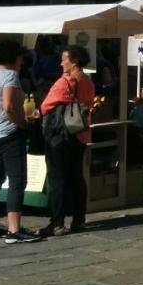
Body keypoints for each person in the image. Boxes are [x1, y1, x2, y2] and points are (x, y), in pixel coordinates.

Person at [0, 40, 41, 243]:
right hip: (9, 134)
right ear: (13, 58)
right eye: (20, 58)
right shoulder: (10, 76)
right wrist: (23, 124)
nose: (22, 63)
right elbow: (8, 107)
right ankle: (14, 230)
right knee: (17, 180)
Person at [40, 45, 94, 236]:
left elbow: (45, 106)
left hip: (61, 136)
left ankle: (57, 222)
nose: (61, 62)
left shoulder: (65, 82)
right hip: (80, 134)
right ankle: (79, 220)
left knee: (58, 178)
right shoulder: (88, 81)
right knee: (76, 177)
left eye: (64, 58)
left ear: (75, 61)